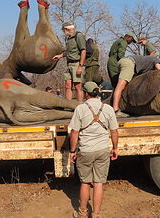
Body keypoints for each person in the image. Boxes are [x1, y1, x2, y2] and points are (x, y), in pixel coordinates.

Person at [69, 82, 119, 218]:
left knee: (85, 182)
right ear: (98, 93)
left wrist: (72, 151)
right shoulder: (108, 108)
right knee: (98, 183)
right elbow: (114, 131)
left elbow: (74, 132)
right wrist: (115, 148)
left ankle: (82, 213)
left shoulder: (80, 109)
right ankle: (96, 214)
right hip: (103, 150)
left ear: (86, 93)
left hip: (85, 150)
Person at [53, 21, 86, 102]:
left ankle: (79, 106)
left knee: (78, 86)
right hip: (69, 65)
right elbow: (68, 52)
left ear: (67, 29)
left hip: (77, 64)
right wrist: (60, 56)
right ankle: (69, 106)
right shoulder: (68, 38)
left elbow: (83, 51)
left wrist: (80, 66)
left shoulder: (78, 36)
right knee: (68, 86)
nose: (63, 32)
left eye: (63, 30)